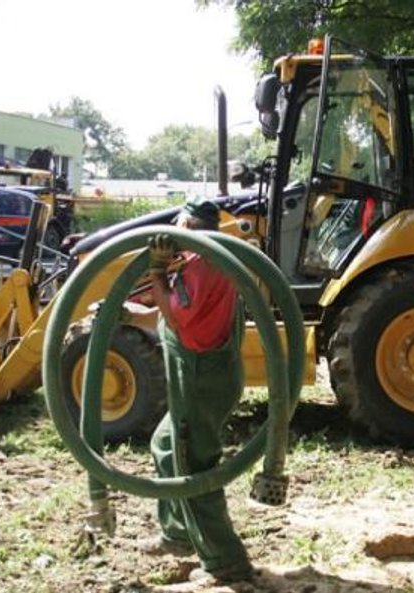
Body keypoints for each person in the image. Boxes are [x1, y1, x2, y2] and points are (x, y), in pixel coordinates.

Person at [142, 198, 253, 584]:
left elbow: (176, 315)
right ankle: (179, 533)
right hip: (205, 374)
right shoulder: (206, 258)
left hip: (202, 378)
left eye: (178, 223)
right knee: (165, 445)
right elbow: (171, 315)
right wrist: (129, 312)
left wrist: (156, 271)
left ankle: (226, 560)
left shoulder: (202, 264)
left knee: (194, 465)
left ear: (188, 224)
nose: (174, 229)